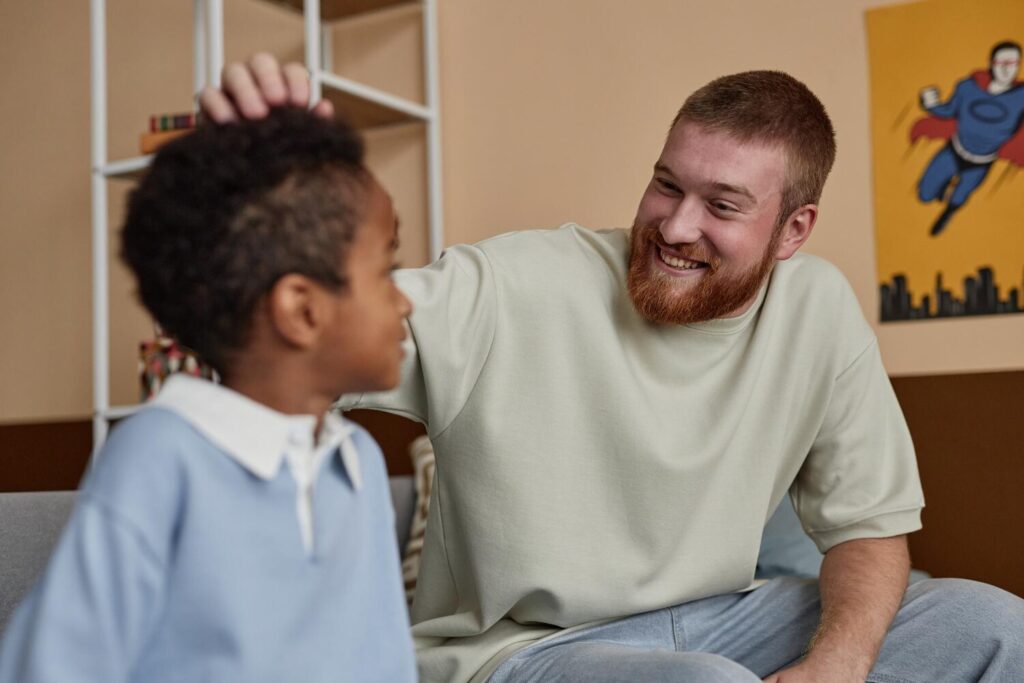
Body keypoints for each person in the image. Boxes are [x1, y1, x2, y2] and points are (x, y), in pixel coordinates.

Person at [202, 55, 1024, 683]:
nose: (675, 225)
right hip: (523, 654)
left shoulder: (817, 309)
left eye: (723, 205)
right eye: (667, 185)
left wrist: (834, 667)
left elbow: (868, 529)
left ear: (793, 230)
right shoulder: (514, 285)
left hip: (722, 616)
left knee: (997, 628)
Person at [0, 108, 417, 682]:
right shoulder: (157, 458)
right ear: (302, 309)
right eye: (387, 271)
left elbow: (386, 664)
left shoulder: (357, 461)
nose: (406, 302)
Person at [913, 40, 1024, 236]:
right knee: (924, 195)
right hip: (954, 152)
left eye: (1013, 63)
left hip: (982, 162)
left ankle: (948, 212)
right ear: (991, 63)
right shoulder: (967, 87)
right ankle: (943, 186)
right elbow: (948, 111)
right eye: (1002, 63)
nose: (1007, 69)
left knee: (959, 197)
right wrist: (929, 104)